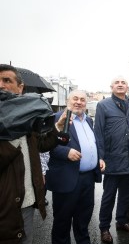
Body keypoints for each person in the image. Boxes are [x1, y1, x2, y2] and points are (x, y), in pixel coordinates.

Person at [0, 64, 68, 243]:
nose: (1, 85)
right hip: (4, 205)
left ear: (20, 88)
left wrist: (56, 127)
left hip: (27, 202)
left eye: (6, 80)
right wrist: (10, 134)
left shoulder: (27, 115)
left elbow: (42, 145)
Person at [46, 90, 104, 244]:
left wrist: (98, 158)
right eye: (75, 99)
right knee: (62, 223)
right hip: (67, 178)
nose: (79, 102)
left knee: (83, 221)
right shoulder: (56, 119)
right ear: (67, 101)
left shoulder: (88, 120)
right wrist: (66, 152)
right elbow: (44, 146)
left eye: (82, 100)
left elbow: (91, 143)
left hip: (87, 179)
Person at [94, 76, 129, 244]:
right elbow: (98, 133)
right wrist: (100, 157)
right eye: (117, 82)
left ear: (127, 87)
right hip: (113, 159)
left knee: (126, 196)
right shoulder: (103, 105)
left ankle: (121, 222)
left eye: (123, 83)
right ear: (111, 87)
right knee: (109, 196)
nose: (120, 85)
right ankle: (104, 228)